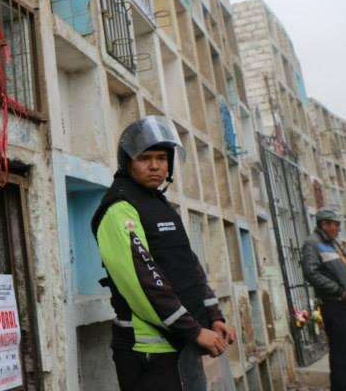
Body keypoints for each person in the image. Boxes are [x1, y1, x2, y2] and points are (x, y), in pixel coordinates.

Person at [91, 116, 237, 390]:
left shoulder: (161, 205)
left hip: (184, 345)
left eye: (161, 157)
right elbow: (144, 281)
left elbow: (189, 267)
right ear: (127, 162)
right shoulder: (119, 208)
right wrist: (194, 330)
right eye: (145, 158)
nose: (155, 165)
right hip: (149, 353)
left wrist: (214, 317)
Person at [301, 208, 346, 391]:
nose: (339, 229)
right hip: (336, 306)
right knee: (343, 355)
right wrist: (339, 292)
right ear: (324, 225)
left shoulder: (333, 244)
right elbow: (311, 273)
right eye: (335, 225)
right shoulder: (313, 243)